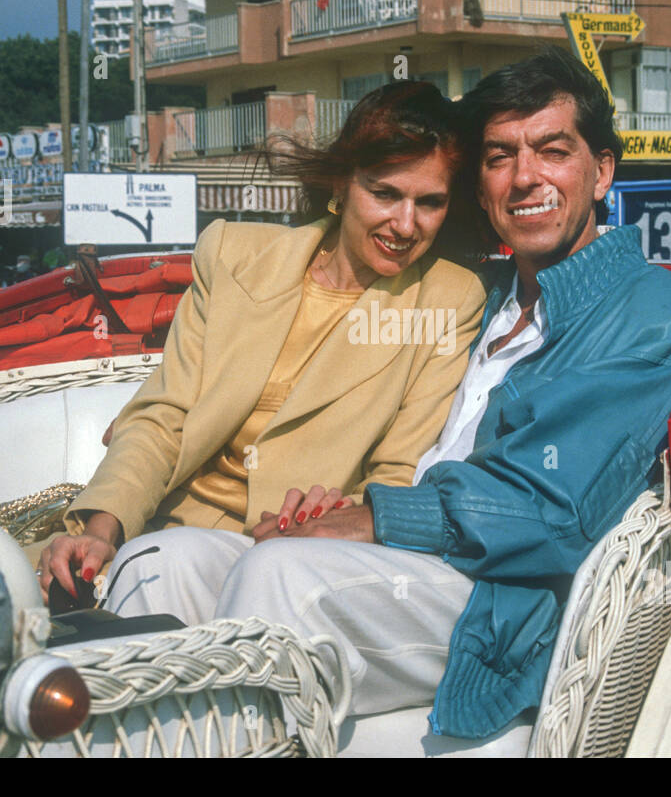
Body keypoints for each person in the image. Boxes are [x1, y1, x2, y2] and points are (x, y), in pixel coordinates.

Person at [98, 49, 671, 739]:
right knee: (163, 563)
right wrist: (335, 508)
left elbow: (553, 512)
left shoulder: (651, 315)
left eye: (552, 151)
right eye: (500, 156)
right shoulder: (485, 298)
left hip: (499, 599)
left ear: (602, 171)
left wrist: (376, 517)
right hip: (399, 560)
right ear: (481, 188)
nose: (524, 176)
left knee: (282, 577)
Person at [39, 80, 489, 598]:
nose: (405, 225)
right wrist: (102, 531)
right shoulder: (232, 254)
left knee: (169, 566)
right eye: (384, 194)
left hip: (302, 557)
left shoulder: (451, 299)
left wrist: (340, 516)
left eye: (429, 202)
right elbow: (164, 415)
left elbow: (399, 470)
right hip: (164, 526)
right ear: (341, 184)